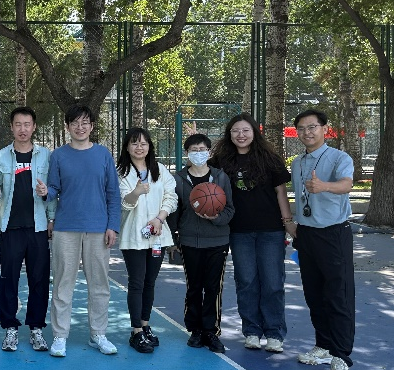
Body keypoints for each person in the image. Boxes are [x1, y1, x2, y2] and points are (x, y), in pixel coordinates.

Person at [210, 113, 294, 353]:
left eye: (245, 130)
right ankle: (252, 331)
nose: (241, 135)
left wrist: (288, 221)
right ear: (229, 134)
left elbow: (280, 192)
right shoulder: (220, 161)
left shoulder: (270, 159)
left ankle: (274, 333)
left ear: (254, 132)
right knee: (246, 282)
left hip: (270, 230)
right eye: (236, 130)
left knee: (273, 282)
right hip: (239, 231)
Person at [44, 105, 122, 358]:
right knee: (62, 284)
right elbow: (54, 189)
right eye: (75, 123)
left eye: (85, 122)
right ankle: (60, 336)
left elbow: (113, 193)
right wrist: (46, 193)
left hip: (98, 229)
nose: (80, 127)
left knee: (99, 285)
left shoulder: (103, 154)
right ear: (67, 126)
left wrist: (113, 225)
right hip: (66, 228)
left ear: (92, 126)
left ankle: (98, 333)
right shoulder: (58, 156)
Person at [291, 108, 355, 370]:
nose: (307, 132)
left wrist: (324, 186)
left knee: (338, 296)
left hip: (333, 234)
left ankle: (341, 358)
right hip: (306, 234)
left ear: (325, 129)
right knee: (314, 294)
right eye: (302, 128)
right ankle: (324, 344)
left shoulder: (339, 158)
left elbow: (347, 184)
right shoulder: (297, 162)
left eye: (312, 127)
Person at [0, 106, 56, 352]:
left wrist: (51, 217)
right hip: (11, 227)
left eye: (27, 124)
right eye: (18, 124)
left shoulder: (46, 155)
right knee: (9, 279)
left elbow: (52, 191)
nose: (23, 129)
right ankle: (10, 328)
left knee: (39, 279)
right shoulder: (0, 156)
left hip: (38, 227)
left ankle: (36, 328)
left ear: (34, 127)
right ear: (12, 127)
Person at [169, 134, 235, 353]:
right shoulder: (178, 179)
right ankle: (195, 329)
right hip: (190, 241)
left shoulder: (220, 177)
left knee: (213, 287)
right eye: (194, 150)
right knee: (194, 287)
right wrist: (173, 240)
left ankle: (211, 331)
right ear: (187, 153)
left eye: (202, 149)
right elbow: (174, 213)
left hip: (217, 241)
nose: (198, 153)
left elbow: (230, 209)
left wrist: (216, 218)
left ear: (209, 152)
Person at [116, 127, 178, 354]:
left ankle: (145, 325)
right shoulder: (121, 173)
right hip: (134, 235)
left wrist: (159, 218)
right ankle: (135, 332)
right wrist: (136, 192)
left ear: (150, 146)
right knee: (137, 282)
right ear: (127, 147)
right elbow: (124, 204)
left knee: (150, 282)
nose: (139, 147)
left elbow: (171, 196)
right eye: (134, 143)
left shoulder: (160, 170)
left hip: (157, 234)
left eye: (143, 143)